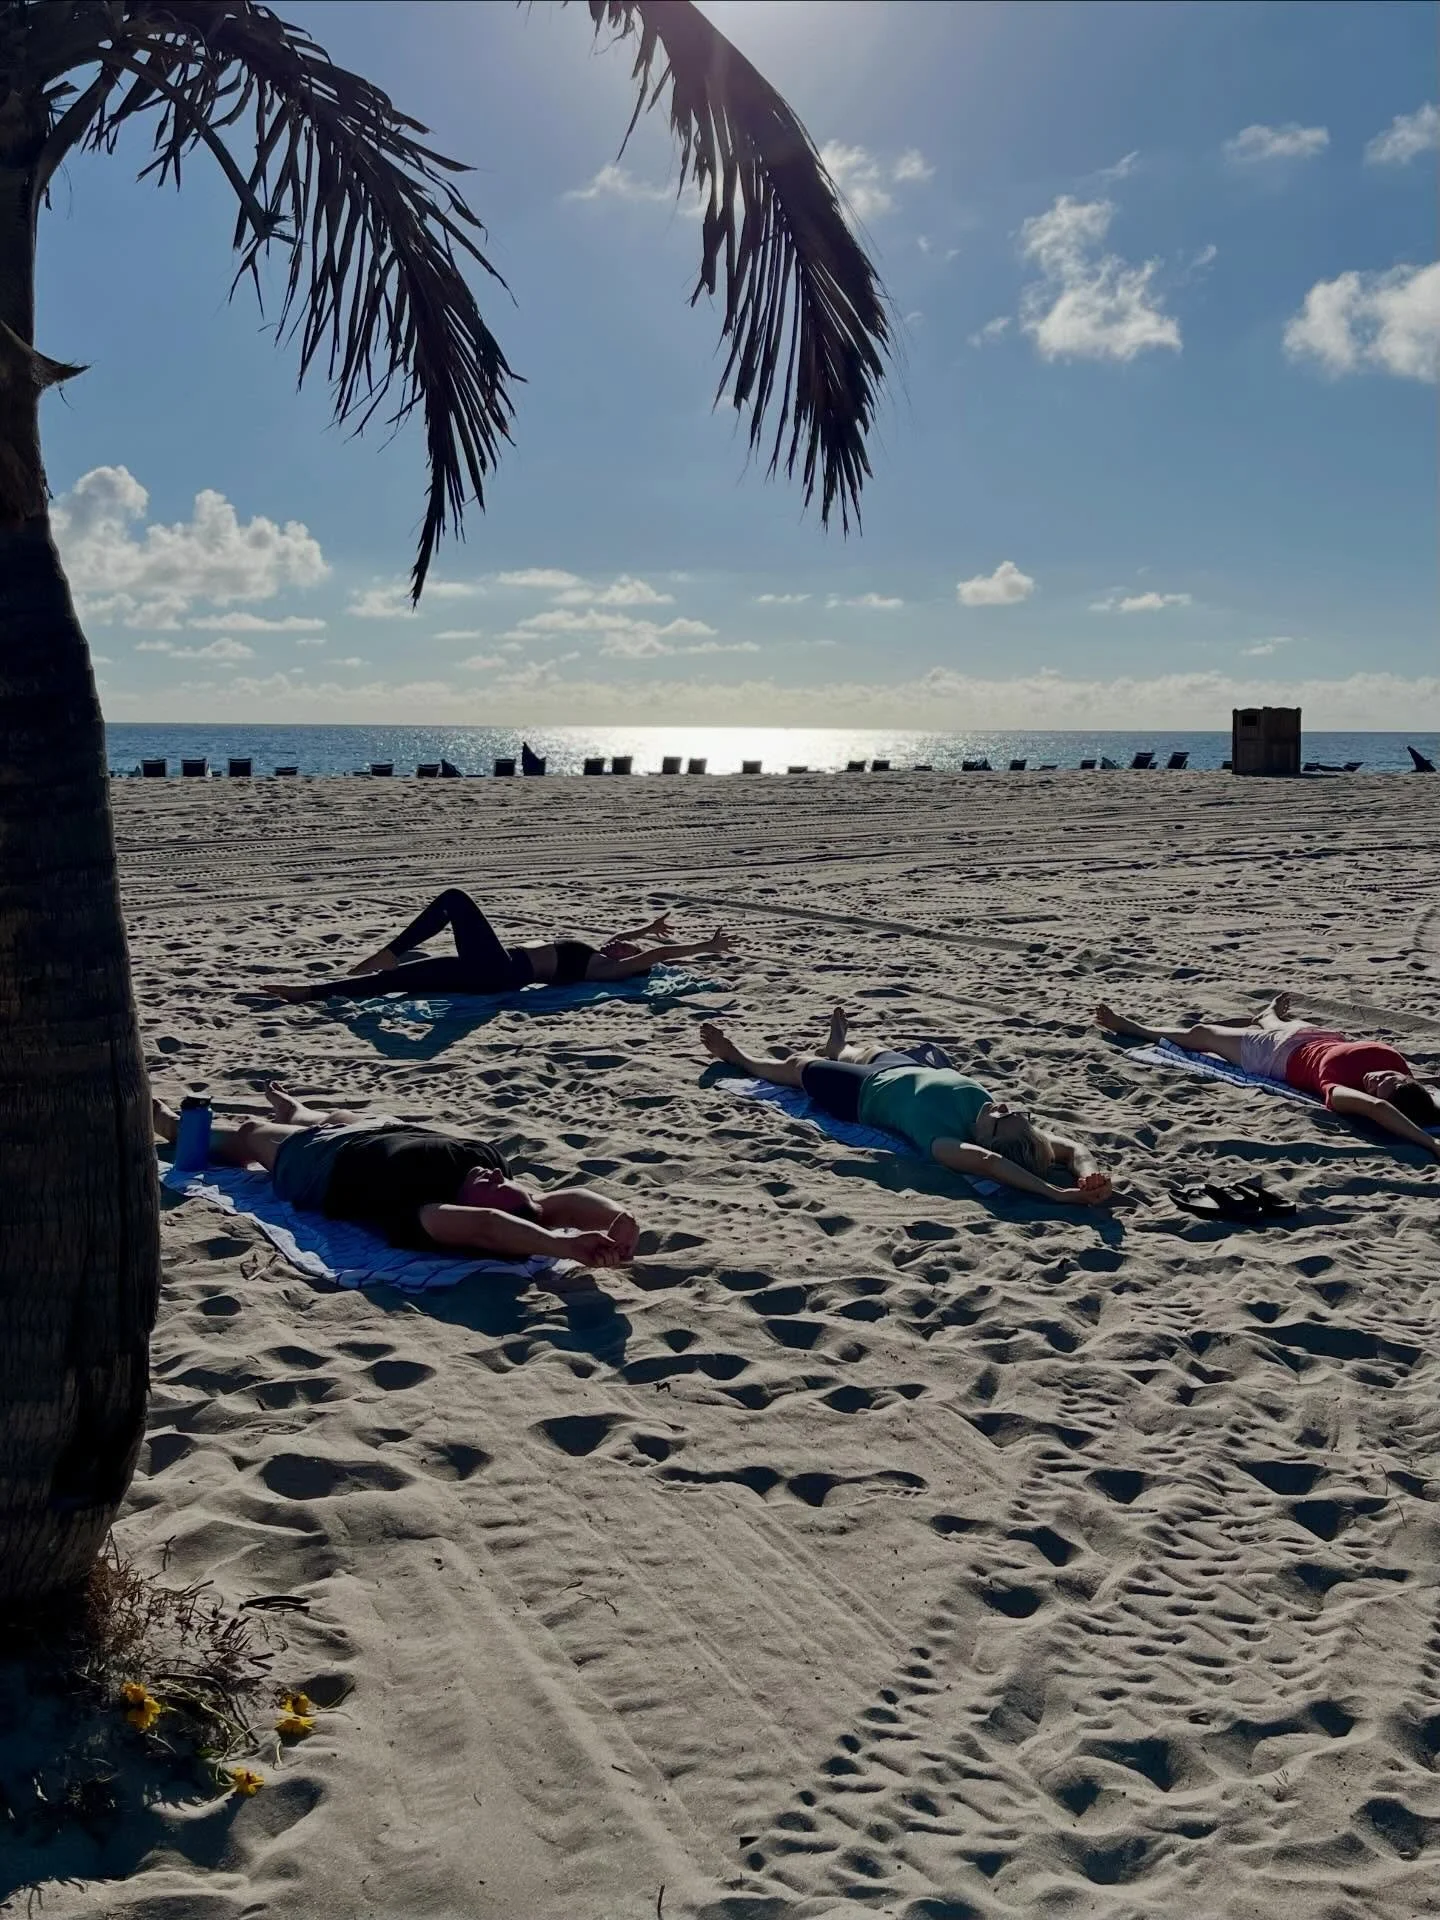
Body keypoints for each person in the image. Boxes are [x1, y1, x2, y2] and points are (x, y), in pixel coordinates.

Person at [153, 1083, 638, 1278]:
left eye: (494, 1187)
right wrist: (621, 1222)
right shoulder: (504, 1189)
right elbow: (566, 1201)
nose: (496, 1176)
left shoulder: (423, 1212)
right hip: (374, 1128)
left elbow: (489, 1226)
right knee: (331, 1113)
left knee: (250, 1134)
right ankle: (298, 1111)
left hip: (321, 1163)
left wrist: (565, 1247)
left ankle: (174, 1126)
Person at [698, 1007, 1116, 1207]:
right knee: (868, 1049)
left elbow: (990, 1165)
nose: (1003, 1108)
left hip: (862, 1095)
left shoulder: (948, 1143)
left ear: (984, 1141)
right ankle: (839, 1047)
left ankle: (740, 1057)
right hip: (903, 1069)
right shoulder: (1007, 1128)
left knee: (797, 1067)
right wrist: (1087, 1174)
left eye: (999, 1119)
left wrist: (1058, 1194)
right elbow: (1073, 1149)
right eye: (1015, 1114)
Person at [1095, 993, 1440, 1161]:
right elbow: (1411, 1096)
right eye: (1390, 1078)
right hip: (1315, 1035)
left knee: (1202, 1034)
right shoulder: (1400, 1071)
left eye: (1378, 1086)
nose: (1378, 1077)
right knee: (1279, 1023)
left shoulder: (1340, 1092)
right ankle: (1269, 1014)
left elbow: (1379, 1107)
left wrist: (1431, 1144)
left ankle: (1132, 1027)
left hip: (1272, 1055)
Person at [259, 889, 731, 1003]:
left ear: (634, 968)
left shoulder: (609, 972)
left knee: (456, 901)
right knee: (397, 983)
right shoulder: (610, 953)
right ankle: (310, 992)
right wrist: (646, 929)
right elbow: (629, 942)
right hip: (488, 972)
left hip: (501, 972)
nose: (622, 947)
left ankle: (393, 949)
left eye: (631, 954)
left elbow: (659, 959)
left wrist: (704, 947)